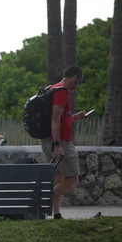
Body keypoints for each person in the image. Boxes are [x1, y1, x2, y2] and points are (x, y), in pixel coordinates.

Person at [41, 65, 86, 220]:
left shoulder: (53, 88)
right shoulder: (61, 92)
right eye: (78, 82)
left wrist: (74, 117)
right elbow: (54, 119)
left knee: (58, 178)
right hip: (60, 141)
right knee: (72, 178)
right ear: (74, 78)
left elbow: (60, 118)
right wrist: (57, 144)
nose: (77, 86)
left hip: (48, 140)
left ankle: (56, 214)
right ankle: (40, 200)